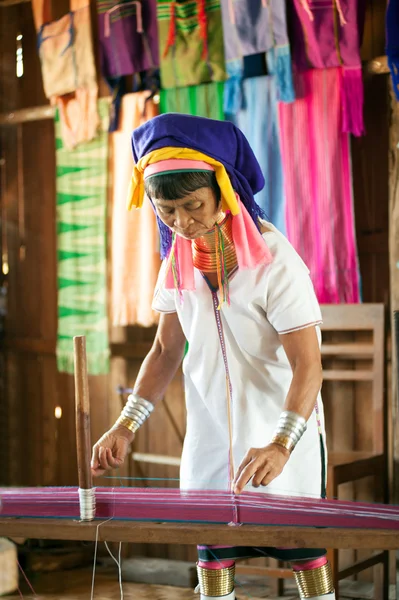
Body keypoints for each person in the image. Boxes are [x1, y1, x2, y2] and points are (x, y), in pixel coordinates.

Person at [91, 114, 335, 600]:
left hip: (280, 442)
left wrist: (282, 444)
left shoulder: (276, 261)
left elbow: (309, 365)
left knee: (307, 567)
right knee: (215, 574)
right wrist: (125, 424)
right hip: (210, 445)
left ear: (224, 190)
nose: (182, 223)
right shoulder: (176, 263)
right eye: (167, 212)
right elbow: (164, 350)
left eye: (193, 206)